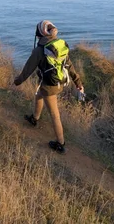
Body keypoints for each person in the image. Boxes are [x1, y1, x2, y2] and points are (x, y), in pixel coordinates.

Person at [14, 20, 84, 154]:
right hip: (58, 82)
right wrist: (78, 83)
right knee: (38, 95)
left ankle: (60, 143)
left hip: (49, 86)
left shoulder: (39, 50)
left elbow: (27, 70)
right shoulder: (58, 46)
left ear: (40, 32)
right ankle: (34, 118)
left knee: (54, 114)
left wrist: (17, 81)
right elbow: (70, 66)